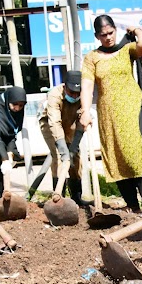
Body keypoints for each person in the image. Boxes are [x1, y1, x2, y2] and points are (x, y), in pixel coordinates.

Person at [79, 15, 142, 217]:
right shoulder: (91, 58)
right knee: (117, 156)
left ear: (115, 30)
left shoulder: (126, 50)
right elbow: (87, 86)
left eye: (111, 33)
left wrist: (136, 30)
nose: (108, 38)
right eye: (103, 35)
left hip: (133, 108)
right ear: (97, 36)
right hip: (109, 114)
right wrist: (85, 111)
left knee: (140, 153)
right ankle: (132, 205)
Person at [39, 70, 86, 206]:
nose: (75, 96)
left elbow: (82, 121)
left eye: (78, 93)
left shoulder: (84, 95)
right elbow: (55, 123)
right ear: (65, 87)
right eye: (72, 93)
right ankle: (59, 196)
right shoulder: (54, 95)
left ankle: (76, 196)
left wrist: (74, 146)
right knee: (59, 157)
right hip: (50, 124)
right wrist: (64, 150)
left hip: (71, 122)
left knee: (75, 157)